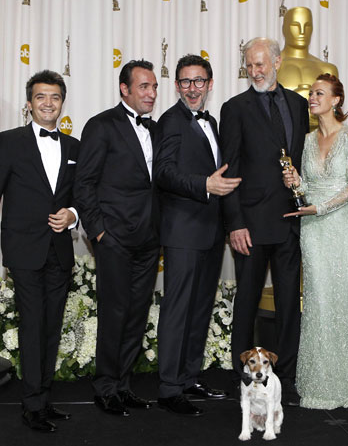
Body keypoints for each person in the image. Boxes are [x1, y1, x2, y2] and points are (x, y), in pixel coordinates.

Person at [220, 37, 309, 406]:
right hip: (251, 225)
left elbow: (302, 160)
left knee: (290, 304)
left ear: (277, 61)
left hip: (290, 220)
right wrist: (235, 223)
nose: (255, 71)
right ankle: (243, 378)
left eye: (260, 64)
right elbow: (228, 170)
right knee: (247, 303)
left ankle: (286, 378)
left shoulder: (300, 104)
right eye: (249, 65)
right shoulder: (234, 108)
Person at [0, 70, 78, 432]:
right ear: (29, 103)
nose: (48, 103)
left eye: (55, 97)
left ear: (62, 103)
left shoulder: (74, 146)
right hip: (24, 250)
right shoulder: (9, 141)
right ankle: (31, 406)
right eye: (41, 97)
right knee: (32, 326)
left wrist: (73, 215)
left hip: (59, 250)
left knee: (52, 327)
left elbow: (81, 195)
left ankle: (43, 398)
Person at [153, 54, 241, 416]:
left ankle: (188, 378)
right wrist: (204, 184)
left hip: (210, 232)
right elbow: (164, 173)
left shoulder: (212, 121)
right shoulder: (170, 120)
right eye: (186, 82)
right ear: (176, 85)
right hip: (183, 231)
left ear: (209, 84)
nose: (193, 88)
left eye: (199, 81)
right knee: (177, 310)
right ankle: (169, 388)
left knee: (200, 309)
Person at [74, 60, 160, 417]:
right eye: (144, 86)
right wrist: (98, 232)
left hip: (149, 239)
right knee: (114, 313)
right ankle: (106, 387)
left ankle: (123, 385)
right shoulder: (101, 125)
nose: (151, 93)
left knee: (137, 315)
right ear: (124, 89)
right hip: (114, 239)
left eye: (154, 87)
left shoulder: (156, 129)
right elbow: (84, 183)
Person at [282, 74, 348, 409]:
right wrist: (295, 183)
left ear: (336, 100)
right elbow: (306, 188)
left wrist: (321, 207)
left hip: (345, 226)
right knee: (319, 301)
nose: (312, 98)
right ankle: (320, 383)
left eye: (319, 93)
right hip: (314, 231)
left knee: (347, 301)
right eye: (311, 93)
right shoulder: (306, 140)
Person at [277, 6, 339, 129]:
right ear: (284, 29)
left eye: (307, 26)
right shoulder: (272, 66)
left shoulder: (327, 69)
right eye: (295, 25)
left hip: (319, 137)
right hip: (282, 136)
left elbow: (334, 113)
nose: (302, 31)